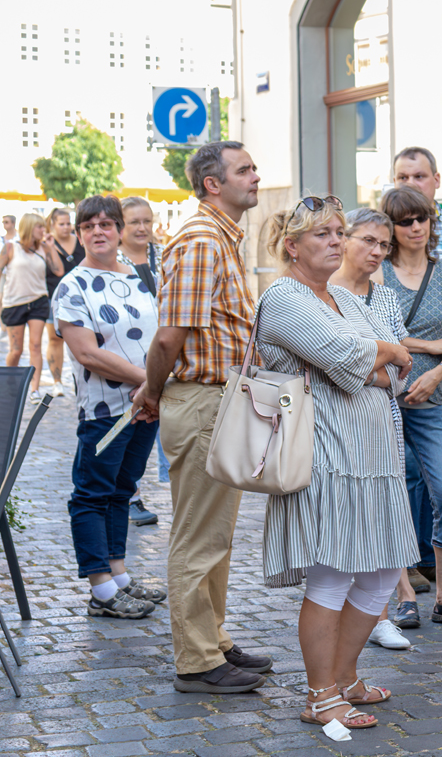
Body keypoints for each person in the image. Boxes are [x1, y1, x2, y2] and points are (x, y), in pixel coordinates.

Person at [255, 197, 418, 731]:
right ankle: (321, 696)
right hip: (325, 456)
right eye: (321, 233)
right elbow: (353, 357)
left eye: (337, 232)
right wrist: (382, 354)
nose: (334, 241)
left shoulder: (344, 298)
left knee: (382, 571)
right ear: (291, 246)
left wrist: (381, 357)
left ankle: (345, 677)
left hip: (373, 458)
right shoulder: (284, 297)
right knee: (333, 575)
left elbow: (394, 370)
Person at [134, 141, 274, 694]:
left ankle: (213, 639)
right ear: (213, 184)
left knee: (215, 533)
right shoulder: (200, 239)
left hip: (219, 399)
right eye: (245, 170)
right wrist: (151, 391)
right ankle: (197, 660)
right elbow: (169, 337)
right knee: (198, 535)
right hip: (201, 401)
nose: (256, 176)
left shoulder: (219, 236)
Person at [52, 195, 166, 620]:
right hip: (106, 412)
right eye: (88, 226)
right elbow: (88, 354)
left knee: (123, 489)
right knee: (92, 494)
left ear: (119, 230)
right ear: (80, 233)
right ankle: (100, 588)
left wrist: (152, 391)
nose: (97, 232)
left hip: (144, 407)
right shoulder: (72, 286)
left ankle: (118, 575)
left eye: (106, 224)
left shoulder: (137, 276)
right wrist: (149, 382)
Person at [378, 185, 442, 629]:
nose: (416, 227)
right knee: (395, 493)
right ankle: (404, 594)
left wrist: (438, 371)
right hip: (384, 400)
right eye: (405, 221)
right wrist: (432, 345)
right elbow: (379, 335)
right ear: (392, 227)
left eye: (422, 218)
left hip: (431, 399)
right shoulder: (378, 272)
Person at [330, 206, 419, 650]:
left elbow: (402, 365)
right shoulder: (323, 294)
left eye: (384, 244)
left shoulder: (384, 297)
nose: (377, 251)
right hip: (336, 423)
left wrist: (370, 370)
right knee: (345, 522)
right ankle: (338, 613)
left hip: (384, 422)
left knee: (380, 520)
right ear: (344, 239)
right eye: (368, 240)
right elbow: (330, 365)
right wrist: (372, 367)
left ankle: (378, 616)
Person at [118, 196, 165, 525]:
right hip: (127, 360)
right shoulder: (112, 260)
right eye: (134, 221)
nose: (142, 227)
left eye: (146, 221)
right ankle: (130, 497)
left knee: (159, 431)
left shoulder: (163, 254)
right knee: (128, 431)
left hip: (163, 355)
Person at [1, 212, 63, 402]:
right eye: (39, 227)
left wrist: (51, 248)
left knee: (35, 346)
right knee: (16, 350)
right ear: (29, 227)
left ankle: (34, 390)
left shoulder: (43, 248)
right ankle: (9, 385)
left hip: (38, 302)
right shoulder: (10, 248)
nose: (43, 230)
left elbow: (59, 270)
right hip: (14, 303)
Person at [45, 207, 86, 398]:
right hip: (54, 296)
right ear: (52, 225)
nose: (65, 227)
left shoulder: (80, 240)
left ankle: (80, 379)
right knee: (55, 339)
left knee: (83, 339)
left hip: (81, 297)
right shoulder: (46, 243)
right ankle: (57, 381)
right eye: (61, 224)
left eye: (68, 223)